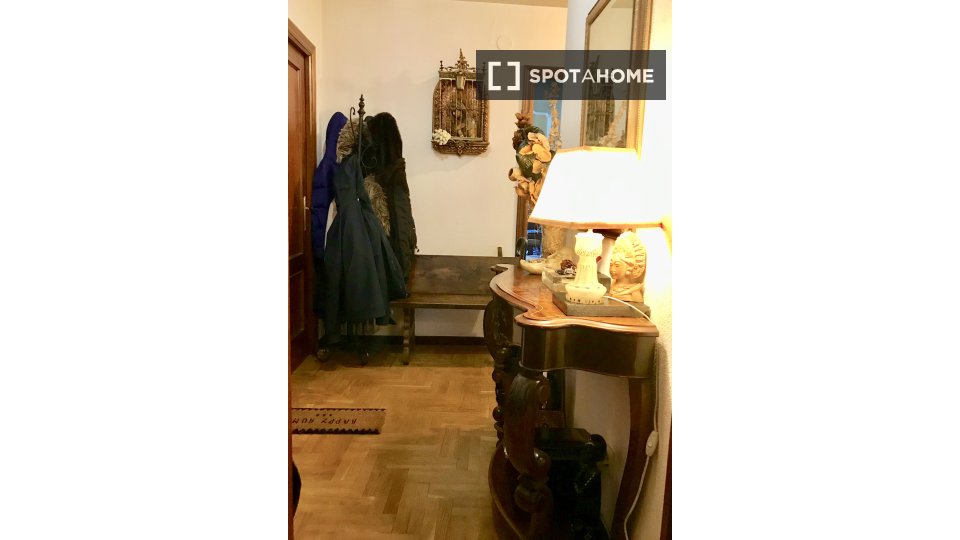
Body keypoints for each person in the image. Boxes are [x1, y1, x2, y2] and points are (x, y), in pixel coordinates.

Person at [608, 231, 647, 303]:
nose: (612, 269)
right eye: (611, 264)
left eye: (617, 265)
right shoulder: (613, 285)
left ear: (629, 267)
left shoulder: (634, 292)